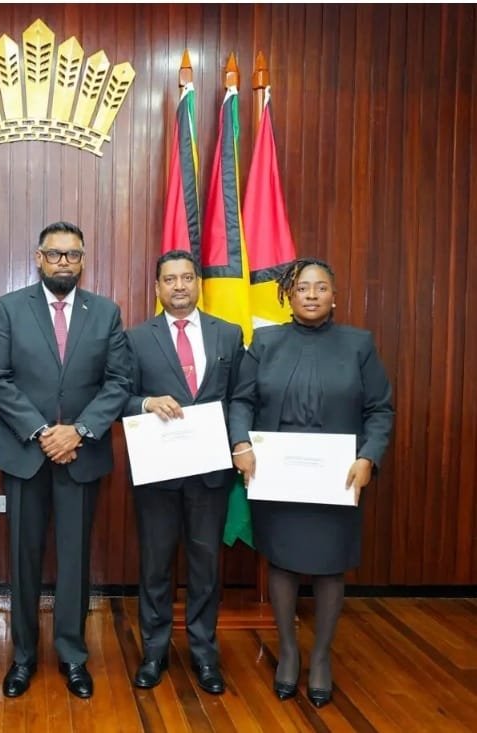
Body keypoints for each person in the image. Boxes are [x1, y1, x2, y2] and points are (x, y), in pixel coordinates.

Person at [229, 257, 394, 708]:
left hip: (336, 476)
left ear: (334, 295)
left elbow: (380, 409)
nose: (312, 295)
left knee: (329, 565)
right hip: (277, 475)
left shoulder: (359, 344)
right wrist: (241, 446)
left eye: (321, 288)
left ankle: (320, 657)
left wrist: (368, 458)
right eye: (303, 288)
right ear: (290, 294)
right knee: (281, 562)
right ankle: (288, 652)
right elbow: (241, 400)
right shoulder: (264, 342)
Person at [0, 221, 130, 699]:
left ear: (82, 261)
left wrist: (79, 431)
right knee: (22, 561)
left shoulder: (105, 312)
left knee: (74, 561)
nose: (63, 262)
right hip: (27, 452)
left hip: (81, 455)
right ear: (39, 257)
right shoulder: (9, 308)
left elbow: (118, 382)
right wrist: (45, 432)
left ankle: (72, 655)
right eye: (55, 254)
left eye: (72, 255)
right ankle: (22, 657)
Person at [123, 250, 244, 695]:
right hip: (158, 473)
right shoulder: (136, 338)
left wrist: (239, 444)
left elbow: (241, 397)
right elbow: (118, 394)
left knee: (205, 566)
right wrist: (144, 403)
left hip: (211, 474)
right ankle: (153, 651)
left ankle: (204, 653)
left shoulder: (228, 335)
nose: (179, 286)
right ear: (157, 288)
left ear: (199, 284)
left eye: (187, 278)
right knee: (155, 567)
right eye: (169, 279)